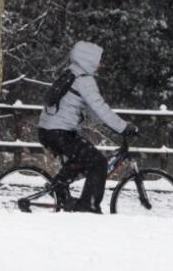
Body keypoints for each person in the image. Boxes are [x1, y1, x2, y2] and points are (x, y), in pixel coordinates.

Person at [37, 41, 138, 213]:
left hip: (50, 130)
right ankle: (88, 205)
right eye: (98, 60)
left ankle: (59, 187)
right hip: (59, 132)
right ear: (89, 59)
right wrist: (123, 127)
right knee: (98, 162)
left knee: (83, 158)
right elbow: (101, 108)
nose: (101, 64)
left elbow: (92, 111)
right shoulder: (84, 80)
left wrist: (108, 124)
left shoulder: (72, 73)